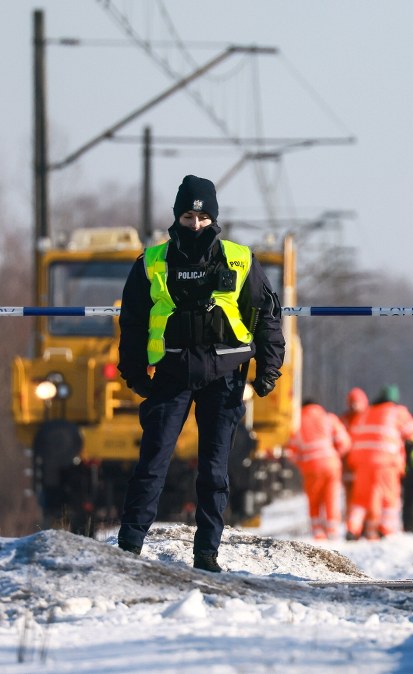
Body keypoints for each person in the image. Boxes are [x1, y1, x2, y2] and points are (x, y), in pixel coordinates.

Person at [116, 174, 285, 573]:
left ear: (214, 218)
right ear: (177, 216)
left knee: (213, 469)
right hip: (172, 372)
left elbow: (267, 318)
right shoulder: (152, 262)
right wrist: (134, 372)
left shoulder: (240, 259)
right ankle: (128, 548)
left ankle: (207, 554)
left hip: (224, 376)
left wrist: (268, 370)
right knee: (152, 461)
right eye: (189, 216)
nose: (196, 224)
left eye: (203, 217)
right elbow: (133, 322)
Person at [345, 385, 413, 539]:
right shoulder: (396, 412)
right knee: (389, 497)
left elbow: (353, 434)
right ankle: (386, 529)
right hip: (386, 462)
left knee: (360, 497)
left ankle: (353, 529)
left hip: (361, 462)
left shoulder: (365, 412)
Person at [285, 399, 351, 540]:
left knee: (314, 499)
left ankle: (318, 532)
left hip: (311, 466)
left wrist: (302, 464)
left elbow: (292, 452)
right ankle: (333, 531)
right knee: (332, 496)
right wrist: (335, 454)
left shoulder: (297, 421)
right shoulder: (328, 418)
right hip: (331, 463)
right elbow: (345, 442)